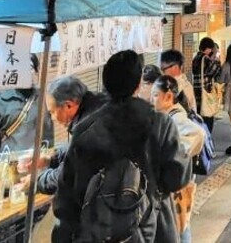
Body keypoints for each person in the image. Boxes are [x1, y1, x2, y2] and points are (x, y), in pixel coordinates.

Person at [52, 49, 191, 243]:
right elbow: (177, 177)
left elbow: (67, 195)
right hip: (154, 230)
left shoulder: (84, 129)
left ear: (106, 84)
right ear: (137, 85)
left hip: (98, 233)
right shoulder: (160, 124)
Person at [151, 74, 204, 243]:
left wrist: (174, 155)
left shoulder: (175, 117)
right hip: (177, 181)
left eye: (155, 95)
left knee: (181, 225)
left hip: (178, 184)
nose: (152, 99)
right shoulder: (166, 116)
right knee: (181, 224)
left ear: (168, 96)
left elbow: (198, 134)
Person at [35, 75, 107, 195]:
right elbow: (75, 150)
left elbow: (68, 175)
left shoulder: (88, 127)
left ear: (69, 105)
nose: (52, 118)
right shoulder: (97, 106)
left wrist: (36, 181)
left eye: (52, 112)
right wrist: (51, 159)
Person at [0, 54, 54, 155]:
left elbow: (48, 137)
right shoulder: (1, 103)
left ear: (36, 72)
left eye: (31, 67)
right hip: (9, 166)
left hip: (37, 164)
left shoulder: (44, 100)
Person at [191, 37, 221, 130]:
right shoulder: (206, 59)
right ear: (208, 48)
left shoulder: (195, 58)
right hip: (205, 93)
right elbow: (214, 72)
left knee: (200, 117)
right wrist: (216, 59)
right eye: (211, 48)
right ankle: (206, 139)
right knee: (208, 118)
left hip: (197, 92)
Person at [160, 48, 197, 113]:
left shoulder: (176, 87)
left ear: (175, 67)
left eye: (163, 69)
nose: (162, 73)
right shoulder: (184, 82)